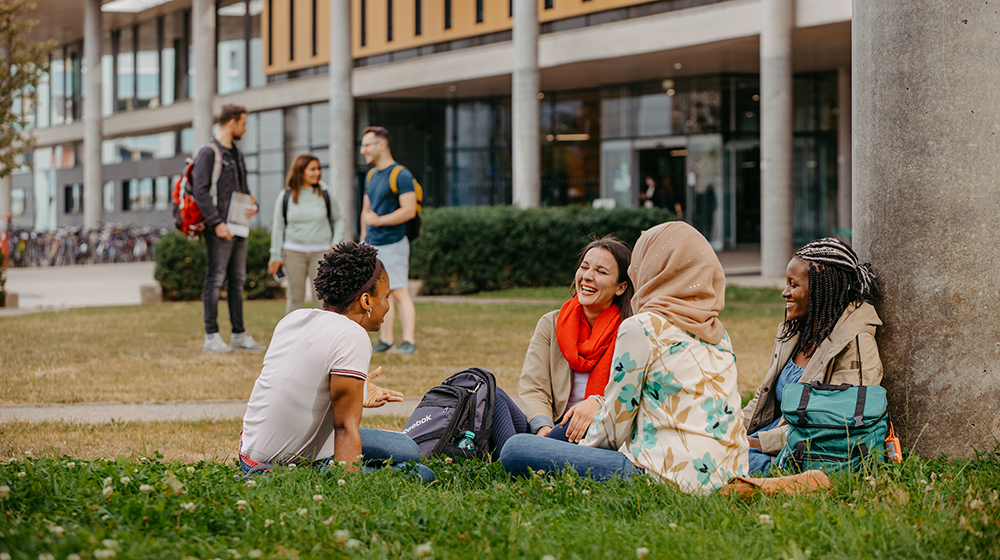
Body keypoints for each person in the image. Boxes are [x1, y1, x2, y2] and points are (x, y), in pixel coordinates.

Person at [501, 222, 749, 494]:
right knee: (495, 397)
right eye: (585, 267)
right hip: (729, 473)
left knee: (516, 449)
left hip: (661, 475)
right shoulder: (717, 333)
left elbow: (612, 431)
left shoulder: (639, 327)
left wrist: (561, 448)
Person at [239, 241, 434, 482]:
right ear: (366, 301)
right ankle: (308, 471)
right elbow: (344, 428)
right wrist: (346, 487)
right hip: (278, 468)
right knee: (422, 474)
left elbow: (304, 384)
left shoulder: (295, 318)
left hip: (250, 453)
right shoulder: (352, 335)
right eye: (385, 296)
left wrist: (359, 390)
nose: (387, 305)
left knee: (407, 449)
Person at [743, 238, 883, 475]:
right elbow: (763, 397)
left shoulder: (855, 343)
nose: (785, 293)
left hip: (802, 454)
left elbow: (836, 423)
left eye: (793, 285)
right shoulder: (797, 333)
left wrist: (758, 443)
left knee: (716, 466)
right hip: (769, 437)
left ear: (822, 290)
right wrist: (728, 429)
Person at [518, 236, 635, 443]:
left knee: (515, 447)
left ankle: (528, 451)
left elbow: (630, 396)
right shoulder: (551, 323)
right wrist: (543, 429)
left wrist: (600, 404)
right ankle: (537, 449)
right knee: (487, 389)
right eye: (584, 267)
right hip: (551, 427)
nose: (587, 276)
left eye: (601, 272)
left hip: (597, 431)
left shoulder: (632, 332)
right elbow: (534, 387)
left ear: (621, 287)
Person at [192, 104, 266, 354]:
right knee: (215, 279)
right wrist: (217, 223)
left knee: (237, 281)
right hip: (219, 229)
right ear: (232, 122)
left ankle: (238, 334)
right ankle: (211, 336)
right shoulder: (209, 153)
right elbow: (200, 191)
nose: (245, 128)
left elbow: (244, 190)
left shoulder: (237, 154)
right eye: (243, 123)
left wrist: (253, 205)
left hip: (239, 227)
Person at [359, 126, 418, 355]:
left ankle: (409, 341)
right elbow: (366, 210)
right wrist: (363, 239)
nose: (363, 150)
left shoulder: (401, 175)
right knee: (381, 293)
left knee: (399, 292)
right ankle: (386, 340)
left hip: (393, 243)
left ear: (381, 145)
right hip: (373, 244)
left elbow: (409, 210)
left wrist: (380, 221)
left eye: (366, 145)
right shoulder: (371, 175)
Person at [267, 154, 345, 314]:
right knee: (295, 298)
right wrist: (275, 256)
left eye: (318, 169)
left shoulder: (325, 192)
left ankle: (324, 330)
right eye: (312, 169)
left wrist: (336, 242)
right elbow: (278, 226)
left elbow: (339, 219)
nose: (317, 172)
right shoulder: (286, 195)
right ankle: (291, 330)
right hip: (293, 253)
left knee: (322, 299)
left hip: (321, 253)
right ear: (300, 171)